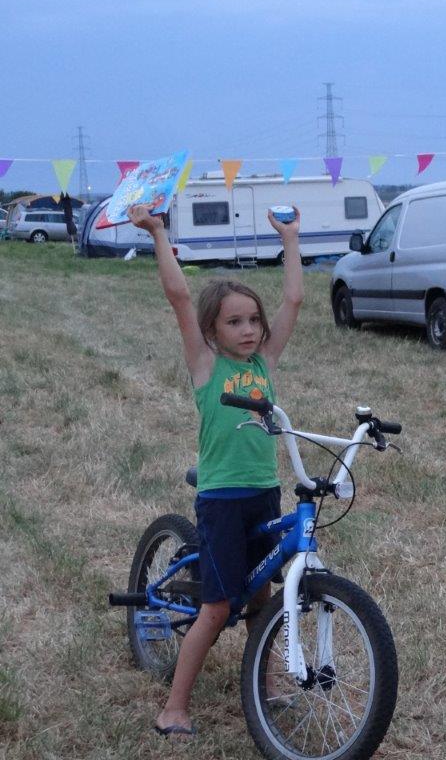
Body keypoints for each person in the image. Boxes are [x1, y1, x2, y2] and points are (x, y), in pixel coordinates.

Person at [128, 203, 304, 737]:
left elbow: (294, 299)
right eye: (234, 322)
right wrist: (158, 232)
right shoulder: (207, 365)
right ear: (212, 329)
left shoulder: (264, 362)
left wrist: (291, 240)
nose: (248, 330)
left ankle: (266, 683)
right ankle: (174, 707)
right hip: (223, 497)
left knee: (261, 597)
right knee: (217, 606)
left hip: (264, 492)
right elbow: (179, 296)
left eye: (254, 320)